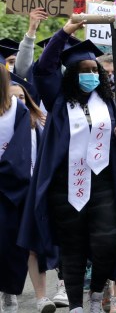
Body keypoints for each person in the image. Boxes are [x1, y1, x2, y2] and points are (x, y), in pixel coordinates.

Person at [25, 21, 116, 313]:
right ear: (71, 76)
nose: (91, 75)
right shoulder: (57, 100)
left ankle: (96, 294)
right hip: (65, 185)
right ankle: (77, 306)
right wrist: (65, 32)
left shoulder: (108, 103)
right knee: (73, 247)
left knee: (108, 241)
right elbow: (44, 68)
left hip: (103, 182)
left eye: (95, 71)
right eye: (84, 71)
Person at [9, 80, 61, 313]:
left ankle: (41, 297)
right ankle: (8, 294)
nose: (16, 102)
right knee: (6, 247)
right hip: (5, 193)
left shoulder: (35, 125)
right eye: (10, 97)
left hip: (30, 191)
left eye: (21, 97)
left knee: (33, 246)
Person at [0, 45, 32, 313]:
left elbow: (21, 151)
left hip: (8, 190)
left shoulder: (17, 111)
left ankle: (9, 292)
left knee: (9, 244)